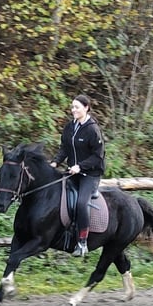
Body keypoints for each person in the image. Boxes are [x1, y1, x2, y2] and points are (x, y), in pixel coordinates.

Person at [50, 94, 105, 256]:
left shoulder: (93, 130)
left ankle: (82, 243)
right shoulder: (69, 127)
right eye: (72, 107)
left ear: (86, 108)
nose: (73, 110)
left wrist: (80, 166)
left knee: (81, 203)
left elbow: (97, 156)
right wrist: (54, 163)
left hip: (90, 175)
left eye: (76, 107)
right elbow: (64, 149)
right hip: (72, 172)